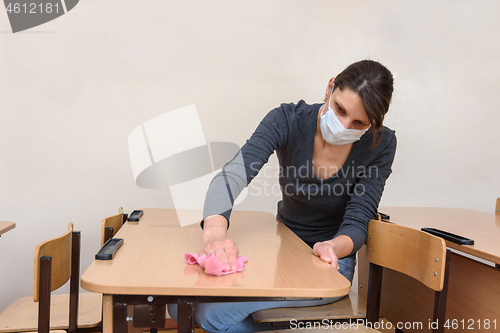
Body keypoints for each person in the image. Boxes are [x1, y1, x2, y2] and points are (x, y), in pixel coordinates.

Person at [168, 59, 397, 332]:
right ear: (329, 88)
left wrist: (333, 246)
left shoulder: (381, 144)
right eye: (339, 109)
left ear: (372, 124)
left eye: (359, 123)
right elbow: (233, 175)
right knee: (177, 303)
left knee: (208, 314)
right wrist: (215, 231)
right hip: (283, 252)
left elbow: (359, 219)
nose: (344, 125)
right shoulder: (288, 119)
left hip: (329, 265)